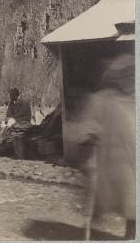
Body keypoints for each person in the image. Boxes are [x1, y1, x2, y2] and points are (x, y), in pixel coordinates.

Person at [65, 54, 135, 240]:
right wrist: (88, 146)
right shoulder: (100, 101)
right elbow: (85, 131)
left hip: (129, 164)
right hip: (110, 165)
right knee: (111, 203)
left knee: (132, 207)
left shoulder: (131, 102)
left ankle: (130, 236)